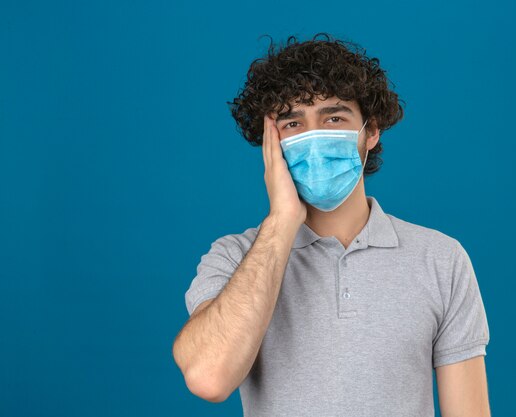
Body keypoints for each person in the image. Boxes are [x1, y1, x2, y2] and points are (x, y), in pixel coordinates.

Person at [172, 33, 491, 417]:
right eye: (293, 123)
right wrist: (282, 222)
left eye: (334, 118)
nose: (315, 138)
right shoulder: (234, 256)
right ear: (271, 143)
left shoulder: (441, 260)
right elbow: (209, 377)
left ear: (370, 131)